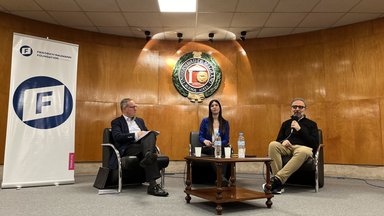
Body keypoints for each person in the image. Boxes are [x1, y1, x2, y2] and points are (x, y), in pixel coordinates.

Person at [110, 98, 168, 197]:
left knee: (151, 134)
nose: (136, 109)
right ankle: (149, 156)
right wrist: (135, 135)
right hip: (128, 147)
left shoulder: (140, 121)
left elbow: (146, 135)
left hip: (143, 146)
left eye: (136, 106)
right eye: (133, 107)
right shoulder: (116, 122)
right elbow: (117, 137)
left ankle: (148, 158)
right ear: (125, 108)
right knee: (149, 151)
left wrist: (147, 134)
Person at [263, 98, 318, 194]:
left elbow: (314, 143)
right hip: (287, 148)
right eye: (294, 107)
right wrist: (283, 141)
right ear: (291, 109)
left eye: (300, 107)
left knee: (303, 151)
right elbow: (278, 140)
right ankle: (278, 183)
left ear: (305, 109)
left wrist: (299, 129)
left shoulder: (312, 124)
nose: (297, 109)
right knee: (273, 145)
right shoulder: (286, 123)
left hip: (303, 148)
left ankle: (277, 181)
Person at [199, 99, 230, 185]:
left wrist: (218, 144)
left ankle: (221, 178)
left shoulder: (225, 123)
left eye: (216, 105)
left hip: (220, 146)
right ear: (210, 109)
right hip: (208, 148)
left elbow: (226, 139)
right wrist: (205, 141)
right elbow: (200, 136)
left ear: (220, 108)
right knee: (213, 151)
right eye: (212, 106)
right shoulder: (205, 121)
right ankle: (221, 177)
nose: (214, 107)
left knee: (224, 152)